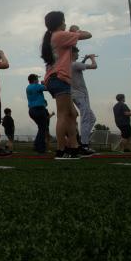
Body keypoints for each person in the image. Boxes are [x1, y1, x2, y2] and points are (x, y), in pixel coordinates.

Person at [41, 13, 90, 160]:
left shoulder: (52, 36)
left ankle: (73, 147)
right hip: (59, 78)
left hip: (56, 78)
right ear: (59, 22)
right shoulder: (60, 35)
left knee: (72, 114)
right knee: (63, 114)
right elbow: (88, 35)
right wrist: (75, 30)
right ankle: (61, 150)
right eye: (64, 21)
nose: (65, 23)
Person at [70, 47, 98, 156]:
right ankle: (84, 145)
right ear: (72, 53)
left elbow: (79, 66)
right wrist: (92, 58)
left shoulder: (70, 65)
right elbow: (94, 66)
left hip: (76, 95)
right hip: (81, 95)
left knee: (92, 118)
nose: (78, 54)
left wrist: (85, 59)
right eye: (77, 53)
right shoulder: (75, 64)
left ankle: (83, 140)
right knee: (86, 118)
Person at [26, 74, 50, 154]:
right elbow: (47, 88)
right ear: (34, 79)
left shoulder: (28, 87)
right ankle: (40, 148)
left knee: (41, 128)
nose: (38, 80)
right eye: (37, 79)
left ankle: (36, 145)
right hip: (39, 109)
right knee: (43, 128)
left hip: (31, 110)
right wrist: (44, 83)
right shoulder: (37, 86)